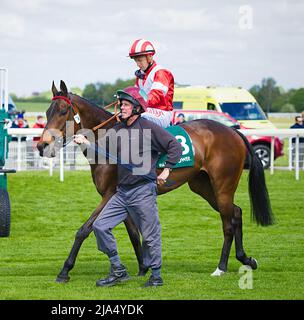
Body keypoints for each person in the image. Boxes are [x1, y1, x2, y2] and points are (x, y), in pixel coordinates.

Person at [74, 86, 182, 287]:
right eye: (121, 104)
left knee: (150, 235)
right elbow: (101, 149)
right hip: (122, 193)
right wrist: (84, 142)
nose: (121, 108)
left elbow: (174, 146)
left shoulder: (149, 128)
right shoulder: (118, 129)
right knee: (100, 226)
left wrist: (167, 170)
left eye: (125, 104)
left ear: (137, 108)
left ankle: (156, 276)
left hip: (143, 191)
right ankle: (118, 269)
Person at [128, 39, 175, 128]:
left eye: (140, 60)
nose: (138, 64)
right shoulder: (140, 76)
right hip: (147, 110)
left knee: (138, 116)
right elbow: (135, 94)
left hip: (162, 113)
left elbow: (155, 97)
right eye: (136, 61)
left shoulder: (160, 72)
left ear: (149, 57)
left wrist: (137, 103)